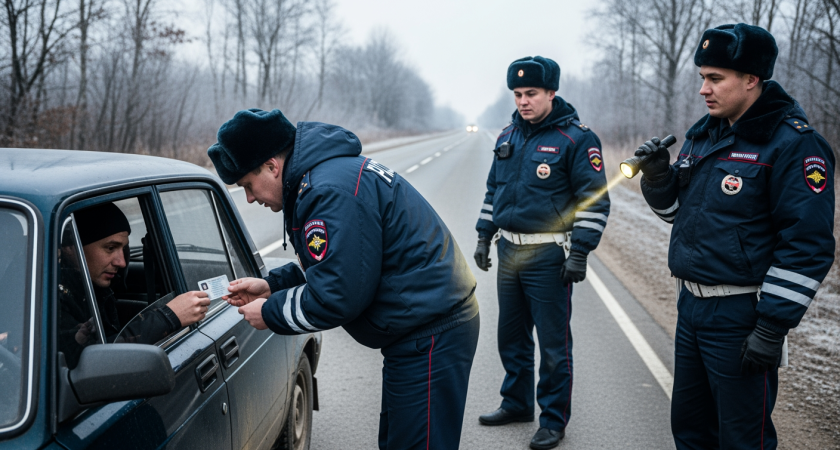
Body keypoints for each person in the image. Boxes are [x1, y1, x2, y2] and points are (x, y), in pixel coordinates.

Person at [208, 108, 480, 450]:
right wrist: (271, 285)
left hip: (431, 333)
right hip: (420, 328)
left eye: (248, 184)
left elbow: (337, 295)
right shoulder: (322, 178)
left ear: (273, 166)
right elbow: (342, 264)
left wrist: (270, 312)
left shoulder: (326, 191)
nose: (249, 198)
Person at [635, 24, 835, 449]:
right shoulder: (704, 134)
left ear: (751, 80)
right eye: (702, 77)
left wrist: (771, 326)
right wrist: (658, 180)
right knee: (691, 431)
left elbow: (807, 246)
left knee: (744, 439)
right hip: (690, 306)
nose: (704, 89)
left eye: (715, 78)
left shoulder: (794, 145)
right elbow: (680, 216)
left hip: (741, 315)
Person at [474, 56, 610, 450]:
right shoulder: (507, 137)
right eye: (517, 94)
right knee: (511, 337)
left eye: (531, 93)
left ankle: (553, 420)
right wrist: (485, 235)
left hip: (549, 256)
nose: (523, 101)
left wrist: (581, 251)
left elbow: (594, 201)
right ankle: (516, 404)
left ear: (552, 92)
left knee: (553, 346)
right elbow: (492, 192)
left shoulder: (577, 139)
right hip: (509, 252)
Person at [58, 202, 210, 368]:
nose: (122, 262)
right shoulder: (52, 302)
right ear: (71, 247)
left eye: (124, 248)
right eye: (110, 248)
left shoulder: (92, 287)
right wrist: (167, 317)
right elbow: (94, 367)